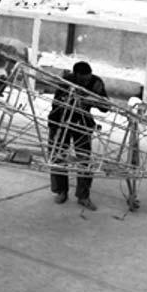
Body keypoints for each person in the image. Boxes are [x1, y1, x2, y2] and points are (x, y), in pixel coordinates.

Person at [47, 61, 108, 211]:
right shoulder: (66, 80)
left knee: (84, 159)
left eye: (88, 78)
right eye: (83, 79)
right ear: (76, 75)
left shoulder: (96, 82)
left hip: (82, 123)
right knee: (58, 156)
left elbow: (105, 107)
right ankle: (61, 191)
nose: (86, 81)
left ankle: (83, 196)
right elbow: (56, 103)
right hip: (61, 120)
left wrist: (91, 98)